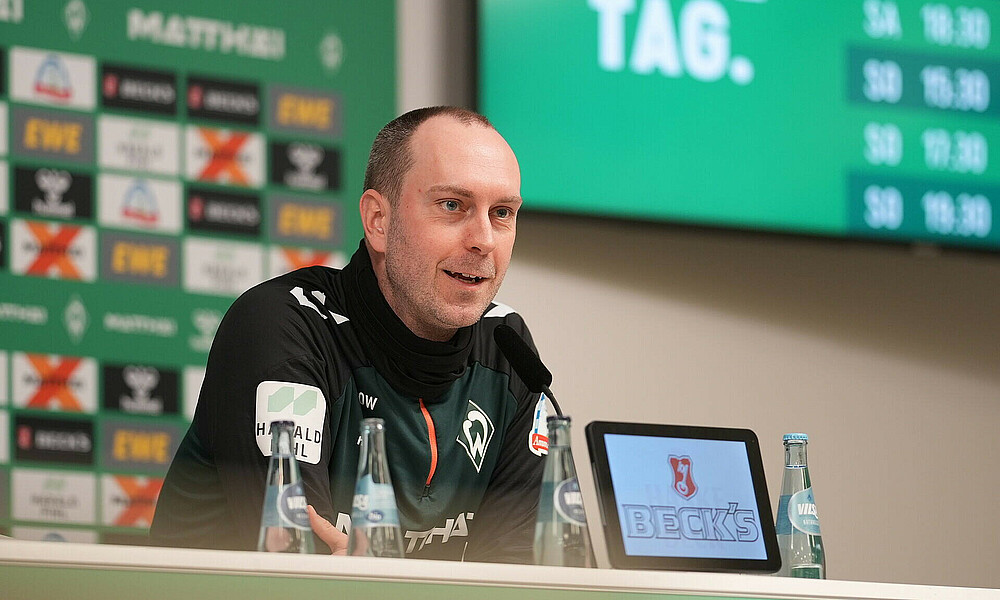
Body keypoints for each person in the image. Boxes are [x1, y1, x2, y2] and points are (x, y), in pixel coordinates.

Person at [150, 107, 548, 563]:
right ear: (379, 220)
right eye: (452, 206)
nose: (484, 240)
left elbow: (516, 577)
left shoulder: (507, 348)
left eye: (502, 213)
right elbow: (303, 565)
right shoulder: (282, 327)